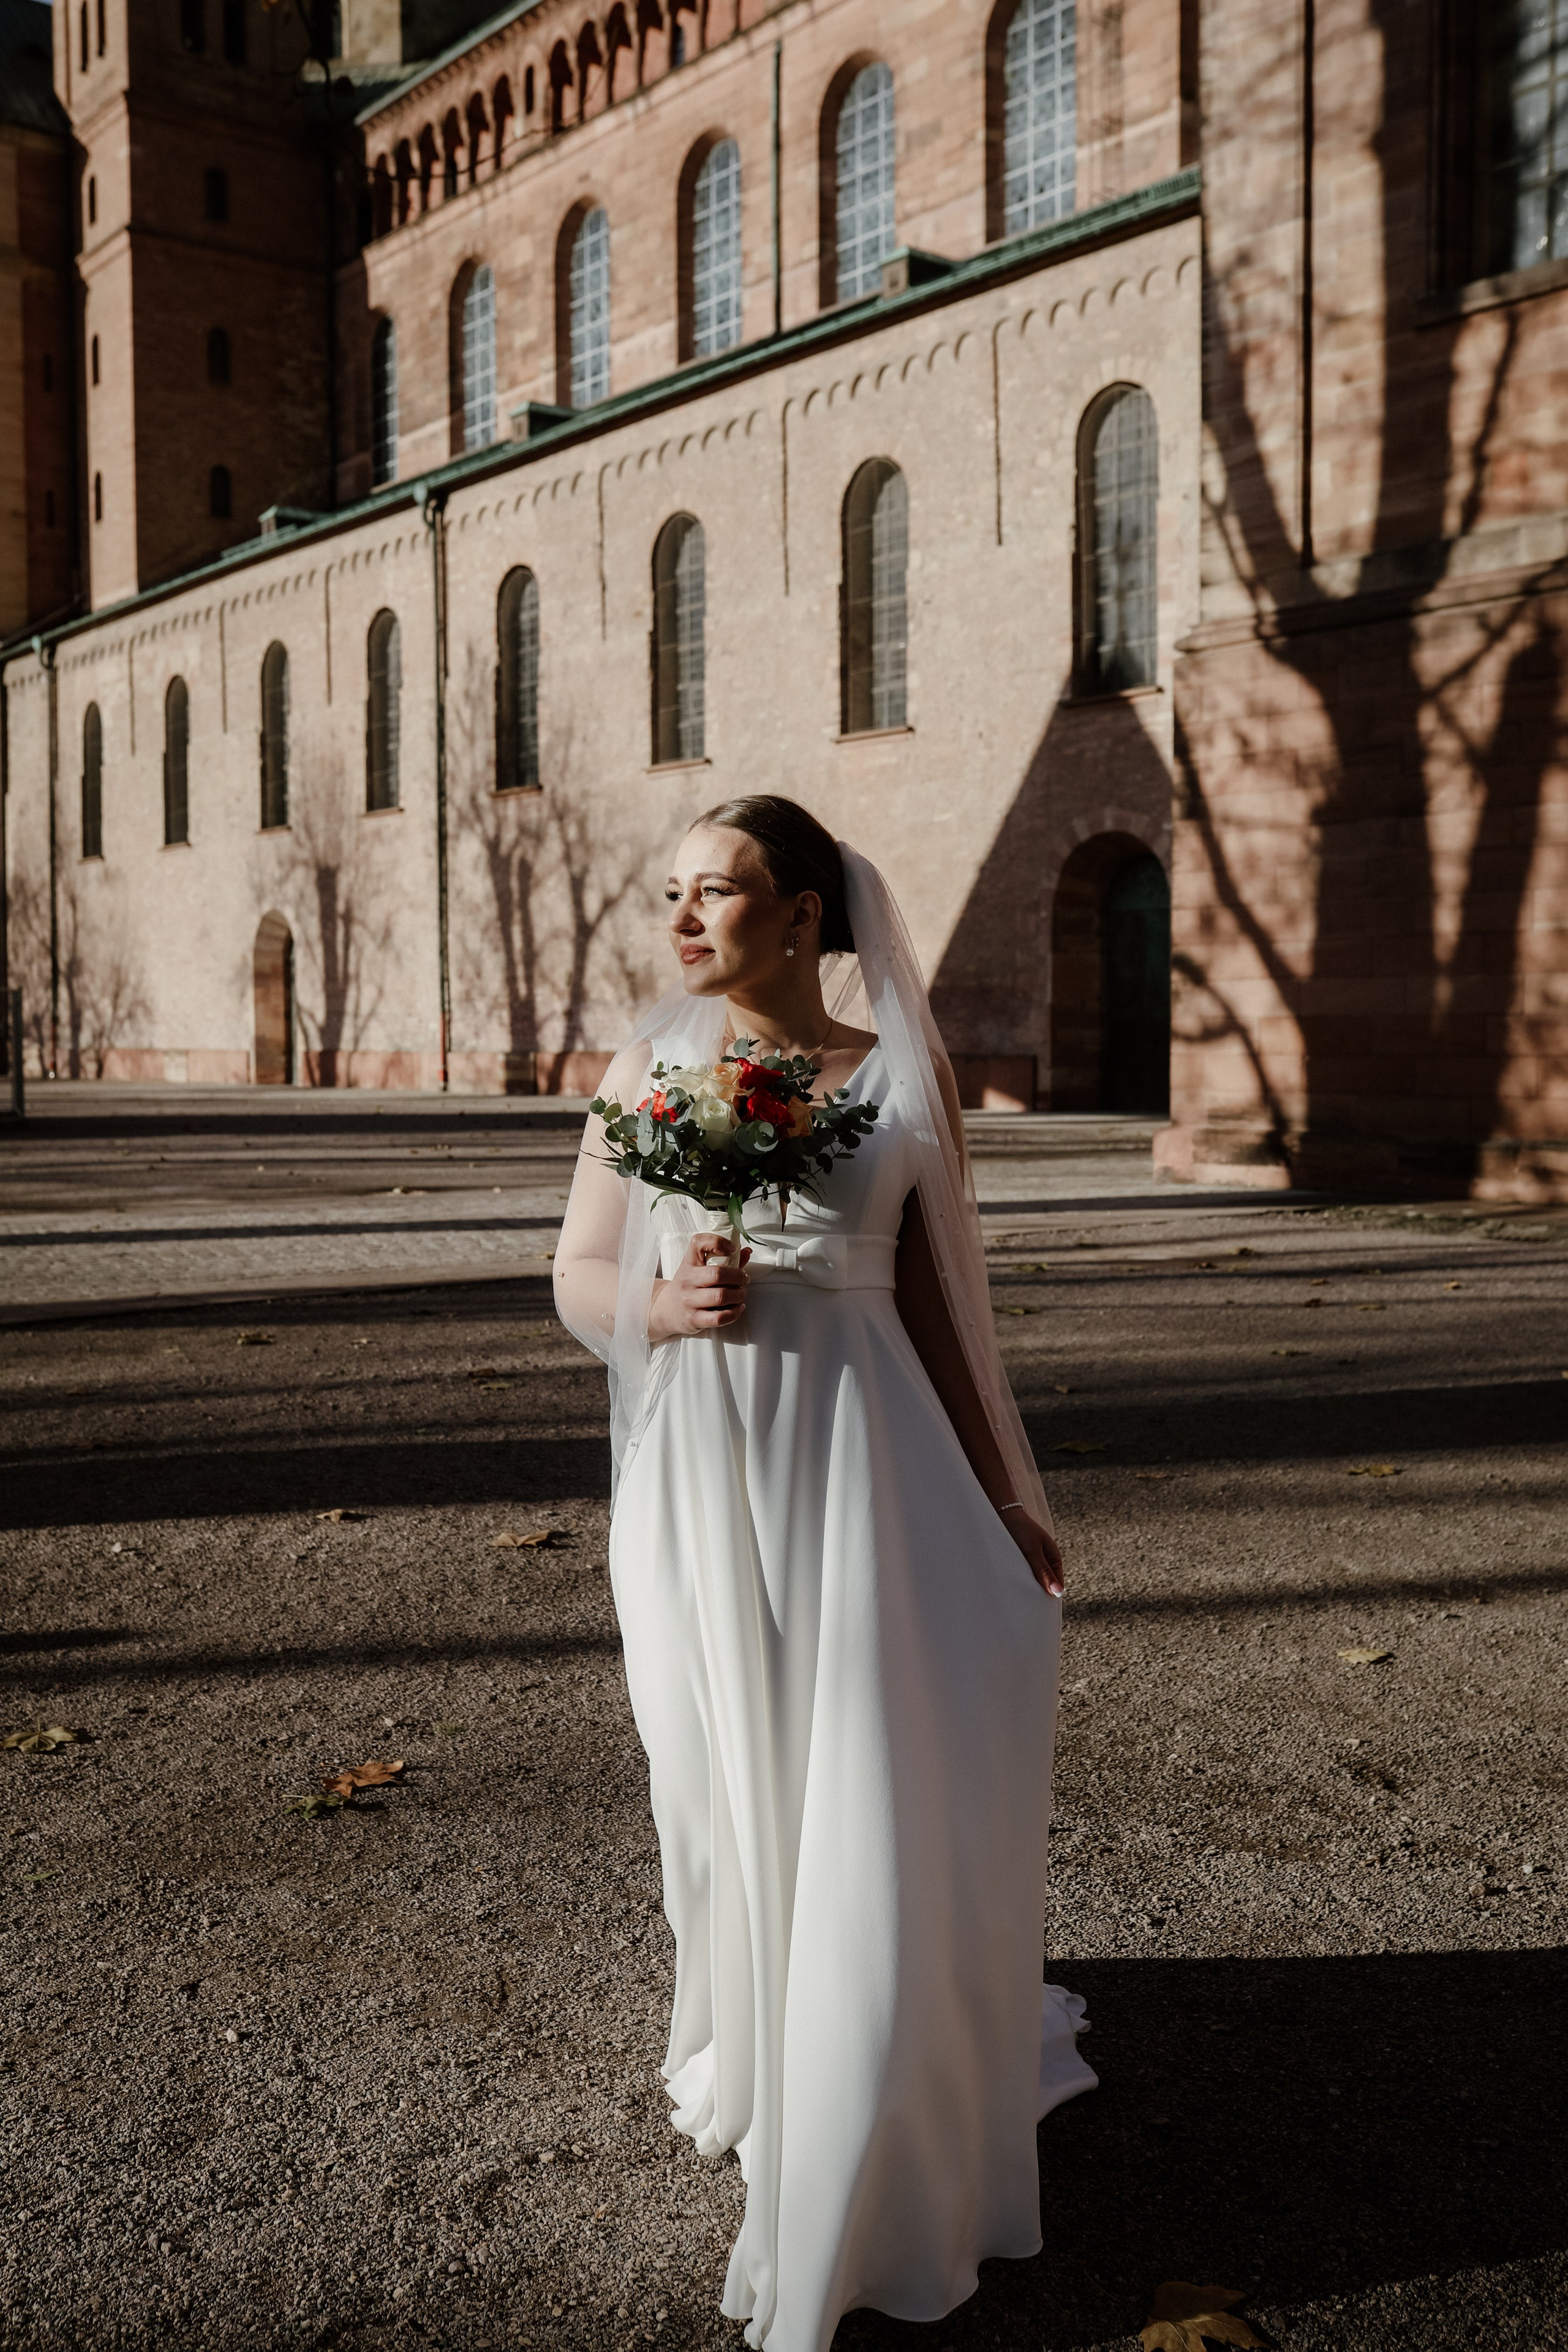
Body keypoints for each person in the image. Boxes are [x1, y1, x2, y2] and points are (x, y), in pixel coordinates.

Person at [554, 797, 1095, 2352]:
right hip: (698, 1483)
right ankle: (759, 2045)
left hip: (864, 1474)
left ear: (802, 915)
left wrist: (1006, 1492)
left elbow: (940, 1314)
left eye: (714, 892)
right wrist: (658, 1309)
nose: (681, 920)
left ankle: (858, 2135)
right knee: (722, 1781)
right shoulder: (644, 1068)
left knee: (864, 1779)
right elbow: (576, 1269)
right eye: (671, 894)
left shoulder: (899, 1078)